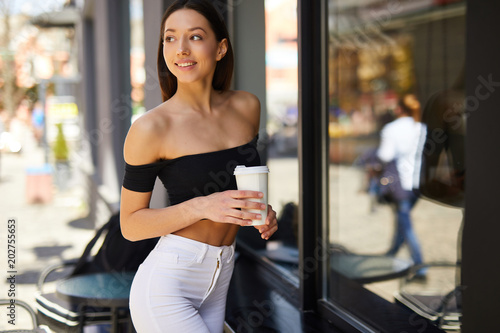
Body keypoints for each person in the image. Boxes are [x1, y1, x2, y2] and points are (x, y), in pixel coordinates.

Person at [119, 1, 278, 332]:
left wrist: (258, 212)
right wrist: (205, 205)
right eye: (170, 38)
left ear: (220, 48)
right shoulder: (150, 128)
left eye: (194, 37)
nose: (181, 49)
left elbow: (238, 188)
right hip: (168, 285)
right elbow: (131, 225)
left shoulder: (247, 107)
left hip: (222, 276)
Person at [377, 94, 427, 278]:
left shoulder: (392, 129)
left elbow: (385, 155)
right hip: (418, 183)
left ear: (398, 109)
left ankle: (420, 266)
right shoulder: (421, 127)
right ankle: (391, 254)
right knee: (401, 218)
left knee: (405, 224)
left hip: (400, 184)